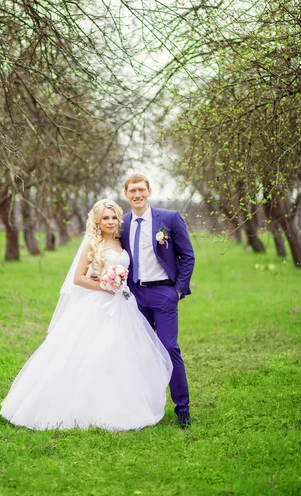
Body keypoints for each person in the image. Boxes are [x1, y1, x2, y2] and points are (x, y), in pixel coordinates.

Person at [0, 199, 172, 431]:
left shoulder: (121, 242)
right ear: (97, 221)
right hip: (99, 304)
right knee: (94, 352)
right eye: (105, 218)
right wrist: (107, 285)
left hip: (123, 306)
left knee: (122, 355)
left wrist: (118, 286)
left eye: (114, 217)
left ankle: (121, 406)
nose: (110, 222)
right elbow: (79, 278)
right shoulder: (93, 243)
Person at [120, 174, 195, 427]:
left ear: (149, 191)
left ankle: (182, 407)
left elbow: (188, 256)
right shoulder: (123, 223)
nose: (137, 194)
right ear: (126, 194)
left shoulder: (169, 219)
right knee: (138, 351)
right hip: (135, 296)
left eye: (141, 189)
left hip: (164, 294)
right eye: (133, 190)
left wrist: (177, 290)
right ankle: (142, 405)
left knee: (168, 347)